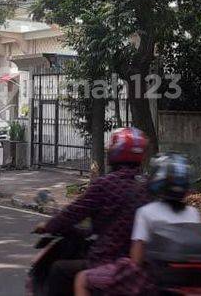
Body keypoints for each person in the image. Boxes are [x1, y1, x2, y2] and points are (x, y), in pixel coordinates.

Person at [34, 127, 150, 296]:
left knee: (59, 270)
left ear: (115, 151)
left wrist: (48, 226)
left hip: (108, 259)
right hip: (140, 265)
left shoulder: (104, 184)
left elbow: (73, 212)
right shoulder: (146, 187)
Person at [74, 153, 201, 296]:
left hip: (150, 280)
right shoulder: (194, 213)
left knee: (82, 279)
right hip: (184, 279)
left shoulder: (146, 212)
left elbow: (136, 259)